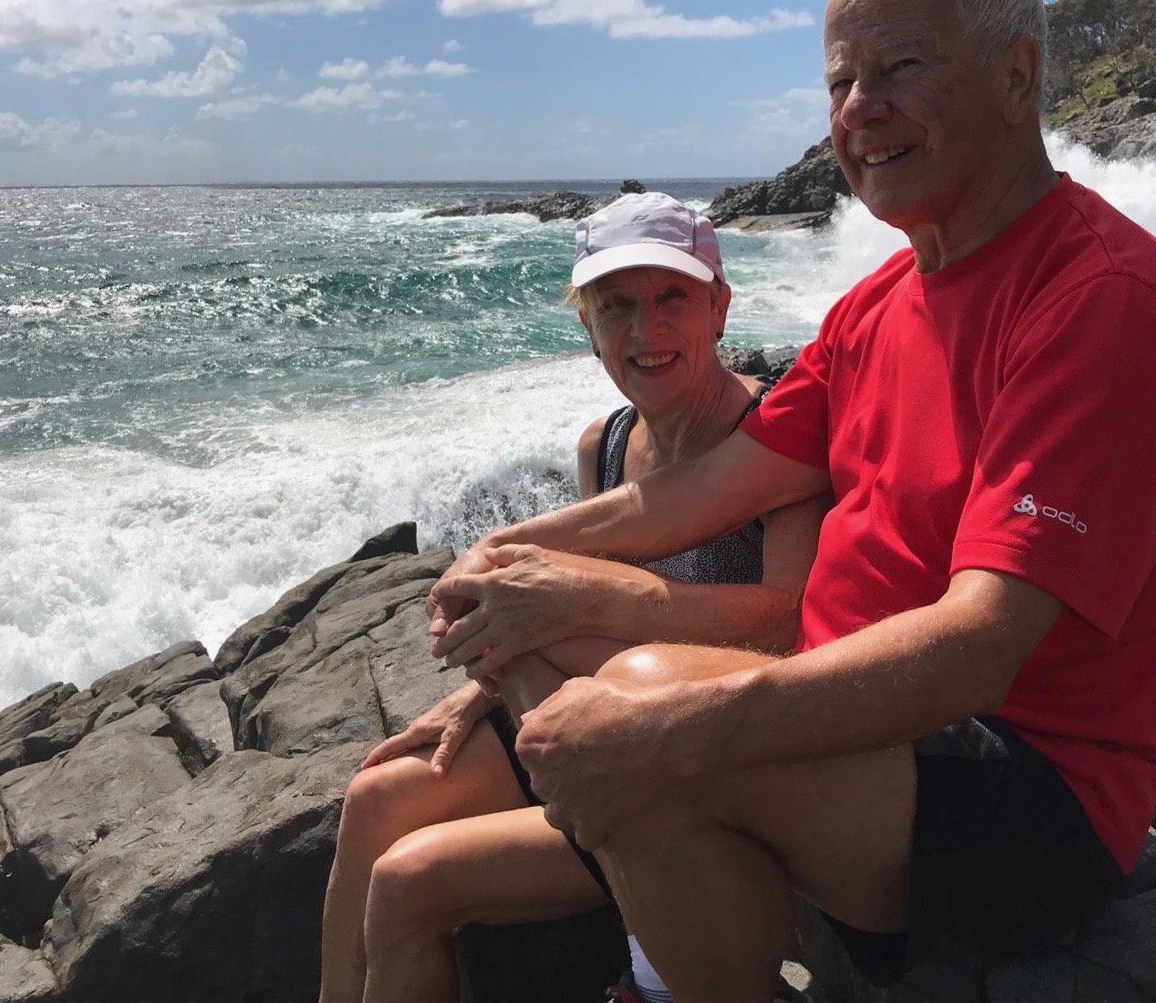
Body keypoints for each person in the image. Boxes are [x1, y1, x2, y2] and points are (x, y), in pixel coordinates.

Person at [428, 0, 1156, 999]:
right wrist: (503, 553)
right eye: (840, 83)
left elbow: (980, 649)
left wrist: (671, 728)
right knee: (539, 639)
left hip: (1031, 785)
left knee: (636, 705)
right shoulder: (877, 303)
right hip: (866, 711)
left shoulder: (1102, 301)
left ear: (1014, 76)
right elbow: (699, 492)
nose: (859, 111)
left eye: (900, 67)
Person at [316, 191, 828, 1003]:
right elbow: (558, 608)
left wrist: (573, 612)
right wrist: (481, 691)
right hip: (581, 721)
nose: (645, 329)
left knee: (408, 879)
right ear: (587, 327)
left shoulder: (774, 438)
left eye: (673, 297)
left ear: (720, 308)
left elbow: (787, 624)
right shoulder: (607, 442)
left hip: (696, 768)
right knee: (375, 798)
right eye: (615, 306)